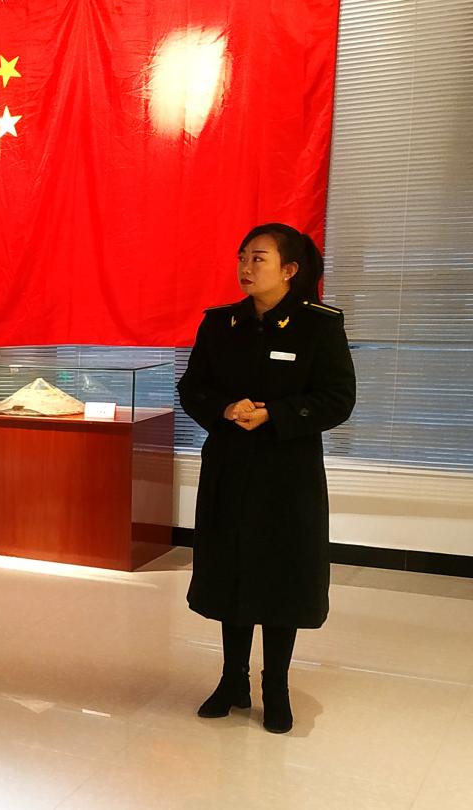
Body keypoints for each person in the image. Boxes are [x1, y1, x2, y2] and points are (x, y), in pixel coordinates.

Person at [178, 222, 356, 734]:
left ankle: (274, 686)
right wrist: (225, 408)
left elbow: (338, 398)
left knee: (281, 577)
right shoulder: (220, 324)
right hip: (230, 467)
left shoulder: (318, 326)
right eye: (242, 257)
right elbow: (192, 389)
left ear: (290, 269)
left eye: (258, 258)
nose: (246, 267)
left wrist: (275, 414)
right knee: (231, 571)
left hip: (287, 473)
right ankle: (232, 679)